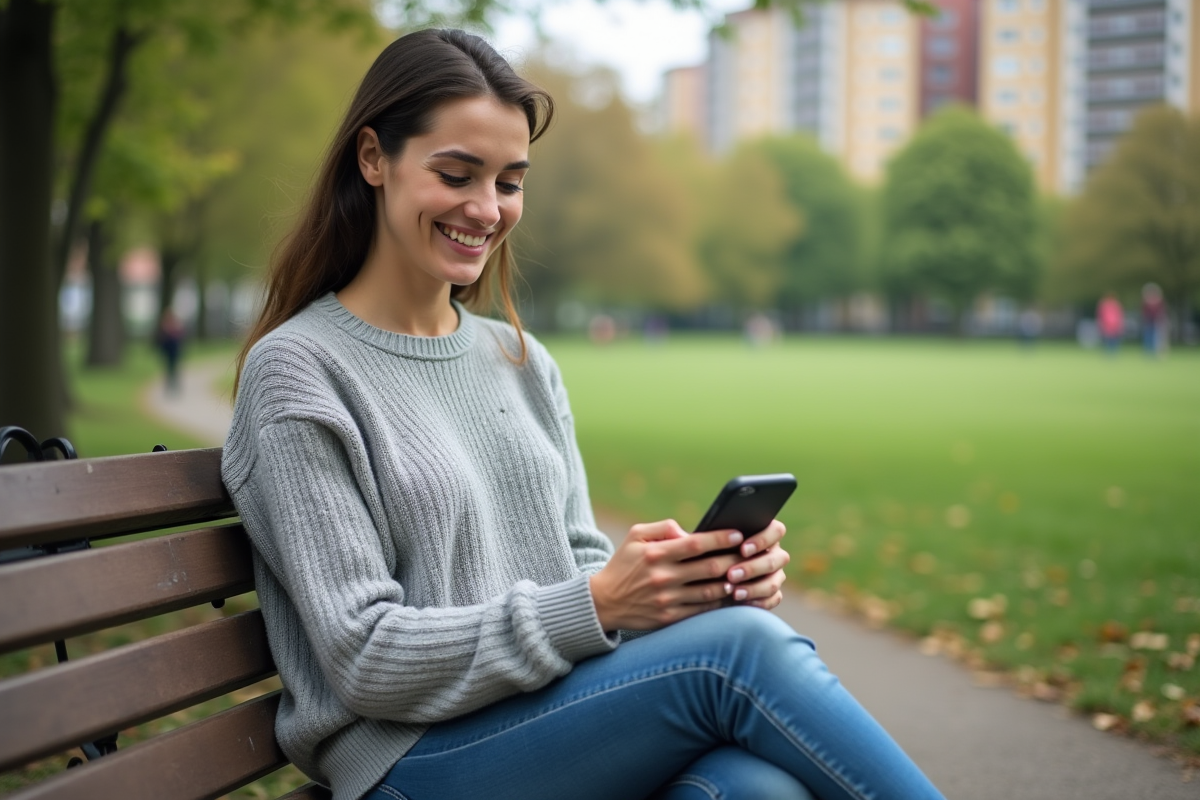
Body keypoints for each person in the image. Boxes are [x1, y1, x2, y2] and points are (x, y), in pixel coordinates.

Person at [223, 29, 944, 800]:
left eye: (509, 181)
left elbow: (575, 576)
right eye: (457, 174)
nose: (486, 208)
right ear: (373, 158)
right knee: (739, 654)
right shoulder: (298, 371)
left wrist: (681, 592)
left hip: (542, 726)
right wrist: (599, 603)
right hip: (409, 764)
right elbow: (365, 657)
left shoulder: (520, 362)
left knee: (753, 790)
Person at [155, 307, 185, 394]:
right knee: (169, 369)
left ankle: (174, 386)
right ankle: (169, 386)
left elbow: (180, 339)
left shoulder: (176, 326)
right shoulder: (166, 326)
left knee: (173, 369)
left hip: (174, 352)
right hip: (168, 352)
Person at [1141, 282, 1167, 358]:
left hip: (1157, 322)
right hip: (1149, 322)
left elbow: (1161, 312)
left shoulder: (1159, 301)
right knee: (1148, 338)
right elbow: (1144, 312)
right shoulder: (1146, 302)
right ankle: (1148, 352)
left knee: (1156, 338)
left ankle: (1156, 353)